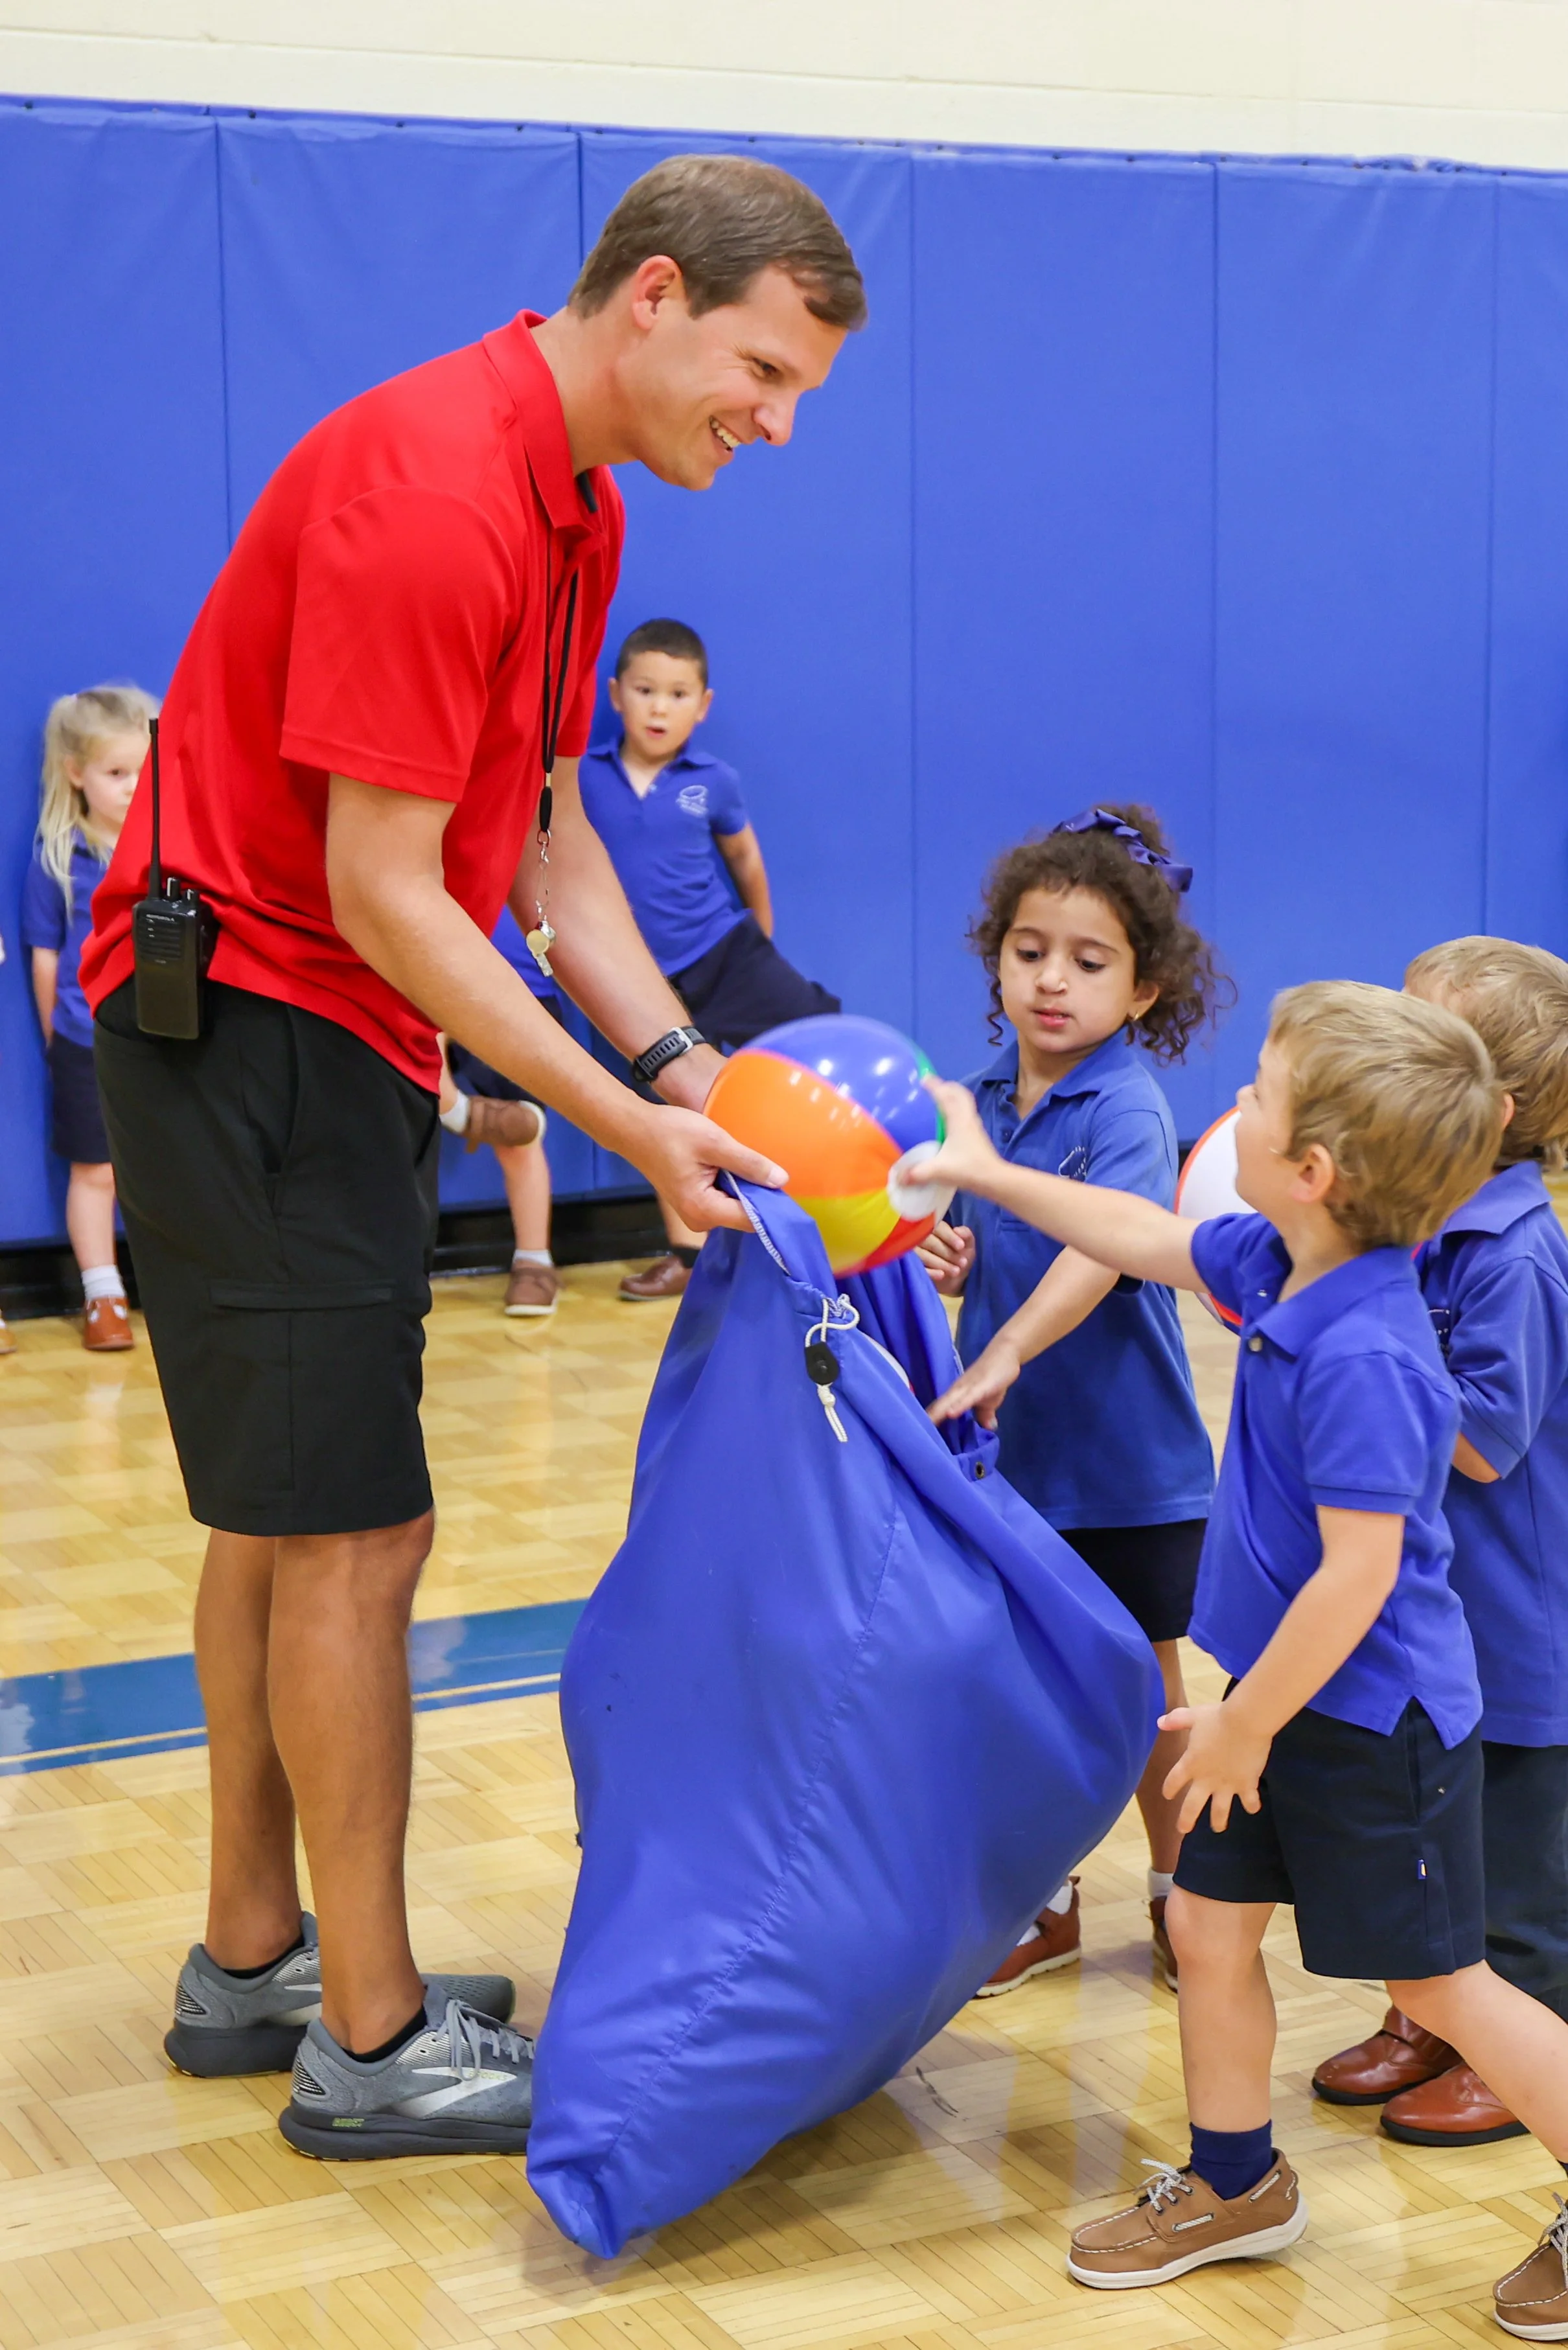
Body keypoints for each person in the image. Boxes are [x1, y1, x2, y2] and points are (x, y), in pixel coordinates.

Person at [81, 153, 865, 2161]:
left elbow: (533, 838)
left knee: (283, 1516)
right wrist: (622, 1125)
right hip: (252, 1026)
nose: (770, 424)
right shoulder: (434, 489)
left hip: (309, 1027)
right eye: (762, 373)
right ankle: (366, 2037)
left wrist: (682, 1056)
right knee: (353, 1534)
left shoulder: (572, 500)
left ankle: (253, 1954)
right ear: (654, 297)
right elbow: (383, 894)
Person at [921, 981, 1568, 2337]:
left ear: (1314, 1169)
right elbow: (1147, 1235)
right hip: (1276, 1706)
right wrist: (985, 1169)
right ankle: (1235, 2182)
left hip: (1362, 1721)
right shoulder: (1285, 1264)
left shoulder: (1369, 1351)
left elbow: (1358, 1577)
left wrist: (1244, 1727)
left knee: (1440, 1983)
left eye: (1260, 1097)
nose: (1237, 1110)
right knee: (1209, 1926)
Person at [918, 807, 1220, 1993]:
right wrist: (957, 1261)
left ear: (1143, 990)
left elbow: (1099, 1261)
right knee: (1020, 1684)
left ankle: (1181, 1896)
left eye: (1089, 963)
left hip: (1127, 1462)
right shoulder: (985, 1093)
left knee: (1148, 1690)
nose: (1053, 980)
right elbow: (999, 1233)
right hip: (1018, 1460)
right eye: (1030, 950)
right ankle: (1045, 1904)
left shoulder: (1126, 1108)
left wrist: (1001, 1355)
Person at [1313, 937, 1568, 2153]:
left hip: (1518, 1626)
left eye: (1418, 1038)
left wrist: (1376, 1320)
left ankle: (1524, 2034)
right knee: (1432, 1829)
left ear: (1491, 1107)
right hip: (1436, 1611)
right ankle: (1429, 2008)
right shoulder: (1413, 1220)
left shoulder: (1512, 1253)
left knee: (1515, 1858)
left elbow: (1485, 1443)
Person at [579, 617, 840, 1302]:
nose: (659, 707)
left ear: (703, 705)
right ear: (615, 695)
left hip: (723, 952)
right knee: (658, 1099)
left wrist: (759, 938)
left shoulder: (712, 780)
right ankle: (688, 1258)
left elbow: (745, 859)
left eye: (676, 693)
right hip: (636, 978)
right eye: (644, 690)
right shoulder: (585, 779)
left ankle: (833, 1201)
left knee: (808, 1038)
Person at [22, 686, 157, 1352]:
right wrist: (56, 1035)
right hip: (86, 1038)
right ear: (77, 773)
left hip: (162, 1038)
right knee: (95, 1171)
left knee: (168, 1164)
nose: (134, 788)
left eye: (143, 771)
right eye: (116, 773)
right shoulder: (57, 858)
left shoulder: (168, 849)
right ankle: (103, 1293)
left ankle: (178, 1288)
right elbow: (44, 955)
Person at [437, 909, 562, 1318]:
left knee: (518, 1131)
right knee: (395, 1116)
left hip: (518, 989)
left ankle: (535, 1260)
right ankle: (455, 1111)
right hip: (426, 977)